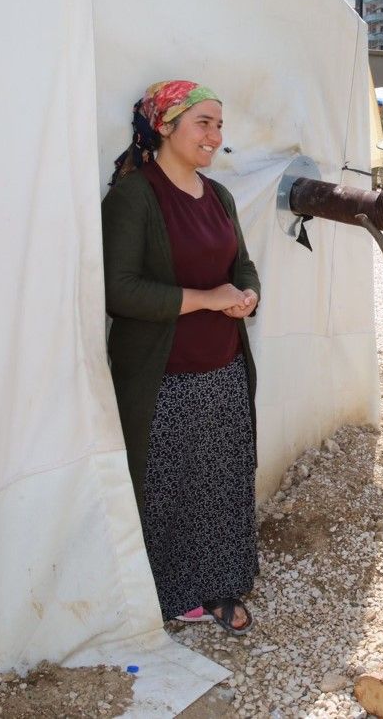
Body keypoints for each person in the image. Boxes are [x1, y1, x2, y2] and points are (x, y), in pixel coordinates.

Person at [102, 81, 262, 634]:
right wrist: (206, 301)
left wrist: (246, 294)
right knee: (169, 489)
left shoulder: (218, 196)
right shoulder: (134, 196)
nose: (216, 136)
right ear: (165, 127)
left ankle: (220, 582)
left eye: (220, 124)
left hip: (224, 369)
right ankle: (168, 592)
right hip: (163, 378)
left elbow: (241, 262)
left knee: (221, 482)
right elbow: (119, 291)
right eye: (204, 124)